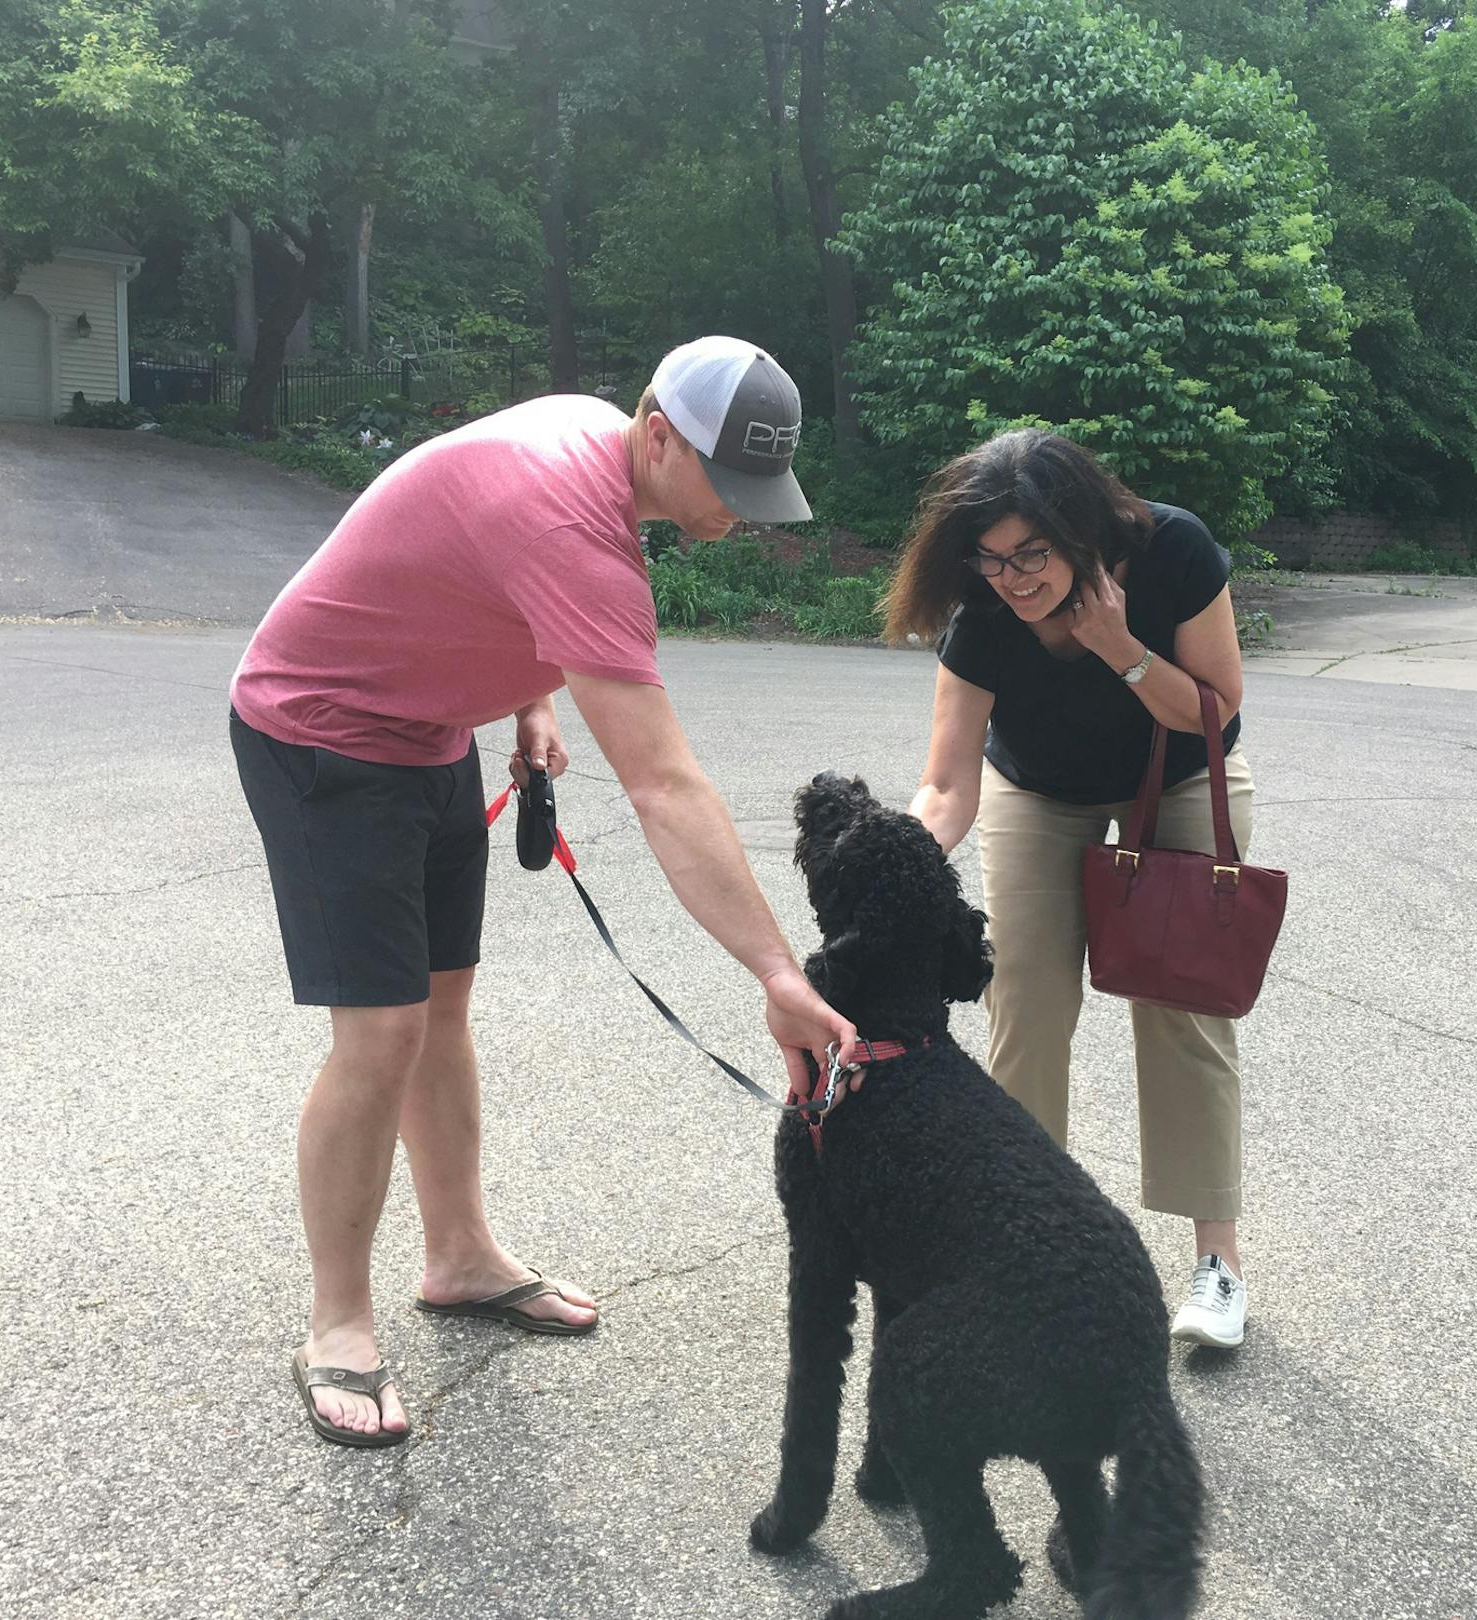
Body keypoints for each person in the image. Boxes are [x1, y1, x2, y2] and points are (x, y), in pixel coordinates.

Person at [229, 335, 857, 1446]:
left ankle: (460, 1256)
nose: (747, 512)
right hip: (321, 729)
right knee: (381, 1034)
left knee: (444, 1010)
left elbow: (466, 560)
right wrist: (774, 970)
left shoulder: (595, 444)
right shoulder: (574, 528)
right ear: (659, 435)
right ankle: (337, 1321)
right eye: (732, 483)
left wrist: (530, 698)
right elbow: (664, 787)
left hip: (427, 732)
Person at [885, 428, 1256, 1349]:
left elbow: (1218, 713)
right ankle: (1029, 1249)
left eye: (1031, 555)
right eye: (992, 560)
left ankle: (1218, 1266)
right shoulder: (982, 616)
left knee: (1182, 1008)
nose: (1011, 579)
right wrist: (907, 860)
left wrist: (1120, 647)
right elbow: (947, 780)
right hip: (1038, 793)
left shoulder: (1175, 550)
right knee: (1028, 1003)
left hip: (1177, 780)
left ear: (1083, 528)